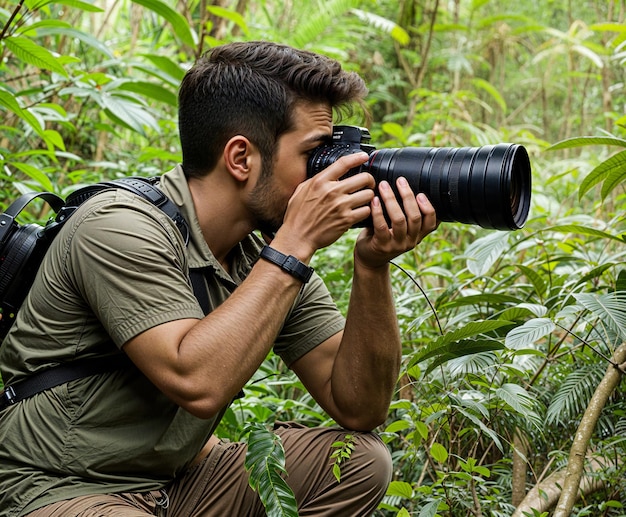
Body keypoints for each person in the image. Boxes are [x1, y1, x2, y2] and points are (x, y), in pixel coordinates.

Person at [0, 41, 437, 516]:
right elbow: (198, 383)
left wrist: (371, 267)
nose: (329, 175)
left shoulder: (264, 251)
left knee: (360, 463)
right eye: (315, 154)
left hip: (178, 483)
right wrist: (295, 244)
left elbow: (359, 406)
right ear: (241, 158)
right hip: (57, 487)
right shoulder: (118, 226)